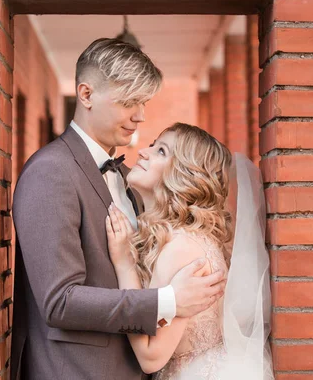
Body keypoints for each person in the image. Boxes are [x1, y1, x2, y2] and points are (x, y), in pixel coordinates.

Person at [10, 39, 227, 380]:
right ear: (86, 95)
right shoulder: (50, 171)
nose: (140, 116)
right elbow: (59, 302)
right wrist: (168, 301)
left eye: (142, 102)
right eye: (129, 102)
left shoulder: (131, 179)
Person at [106, 123, 274, 379]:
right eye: (153, 145)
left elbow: (151, 357)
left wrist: (124, 264)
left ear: (185, 174)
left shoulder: (182, 249)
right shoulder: (188, 238)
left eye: (161, 151)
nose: (143, 152)